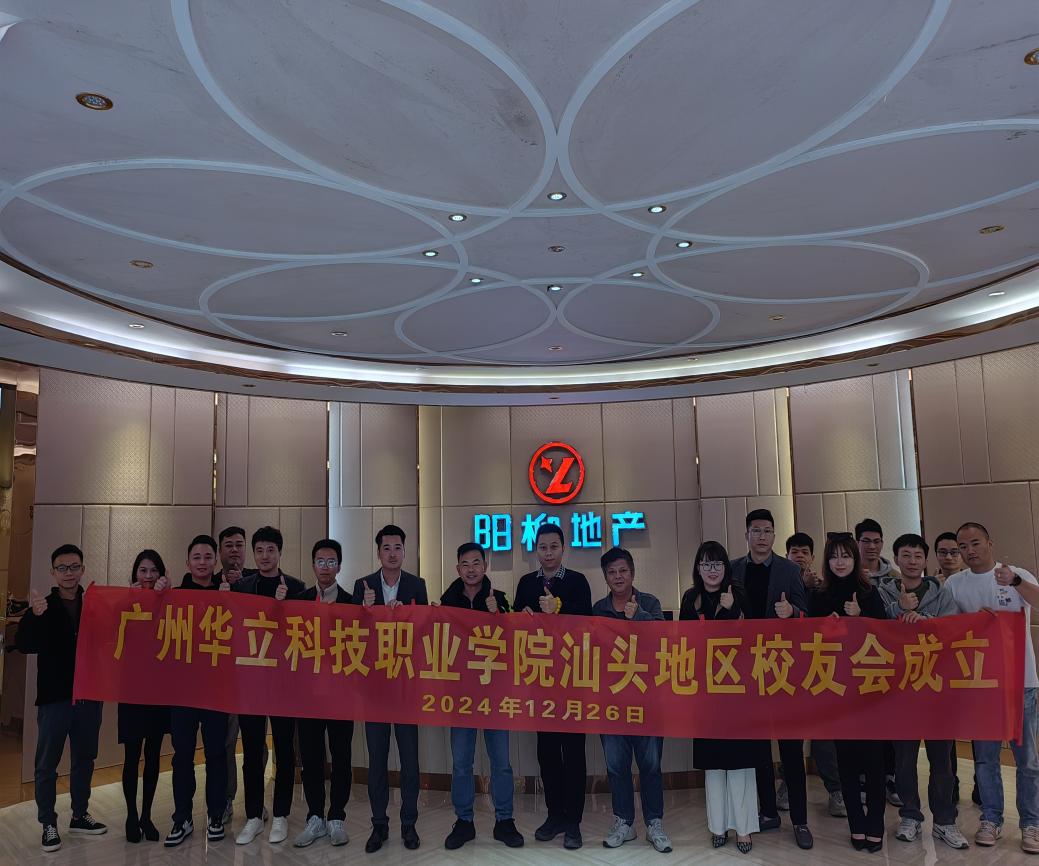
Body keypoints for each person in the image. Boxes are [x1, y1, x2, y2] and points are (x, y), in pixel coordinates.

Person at [947, 522, 1039, 854]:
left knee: (1027, 760)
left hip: (1021, 681)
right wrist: (974, 623)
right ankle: (991, 818)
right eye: (963, 546)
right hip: (981, 683)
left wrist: (1014, 582)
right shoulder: (955, 584)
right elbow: (949, 630)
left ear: (990, 543)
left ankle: (1032, 823)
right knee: (985, 759)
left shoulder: (1016, 574)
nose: (969, 551)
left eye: (975, 543)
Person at [879, 534, 969, 849]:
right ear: (896, 559)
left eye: (918, 556)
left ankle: (944, 821)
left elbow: (953, 630)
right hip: (900, 690)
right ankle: (910, 816)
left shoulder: (941, 593)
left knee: (941, 760)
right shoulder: (883, 592)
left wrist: (924, 620)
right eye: (906, 555)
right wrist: (898, 609)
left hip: (936, 688)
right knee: (904, 759)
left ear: (925, 560)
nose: (912, 561)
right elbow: (873, 630)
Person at [730, 508, 813, 850]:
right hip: (746, 671)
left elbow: (807, 616)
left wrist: (792, 612)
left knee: (791, 748)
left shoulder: (789, 570)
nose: (761, 536)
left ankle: (801, 820)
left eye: (767, 531)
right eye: (756, 530)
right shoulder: (733, 569)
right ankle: (767, 812)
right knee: (758, 747)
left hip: (782, 670)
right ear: (747, 535)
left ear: (774, 536)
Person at [17, 543, 106, 853]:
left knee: (85, 759)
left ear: (83, 569)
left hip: (89, 696)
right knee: (46, 765)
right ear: (53, 572)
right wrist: (33, 616)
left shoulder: (94, 604)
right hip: (55, 699)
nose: (69, 573)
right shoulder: (44, 606)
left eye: (74, 567)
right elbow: (25, 644)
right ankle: (48, 822)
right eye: (62, 568)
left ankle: (80, 815)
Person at [514, 522, 593, 850]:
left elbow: (587, 623)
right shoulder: (526, 583)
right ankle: (554, 814)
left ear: (563, 548)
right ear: (536, 550)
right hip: (540, 680)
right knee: (546, 751)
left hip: (572, 680)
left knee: (573, 752)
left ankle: (573, 821)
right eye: (542, 547)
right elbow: (515, 626)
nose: (548, 553)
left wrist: (557, 609)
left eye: (553, 547)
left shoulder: (577, 581)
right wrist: (522, 615)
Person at [440, 542, 524, 850]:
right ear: (458, 569)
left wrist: (498, 615)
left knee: (501, 761)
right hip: (461, 695)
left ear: (485, 566)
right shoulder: (447, 601)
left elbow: (516, 641)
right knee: (462, 763)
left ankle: (505, 821)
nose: (471, 569)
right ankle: (464, 821)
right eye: (465, 564)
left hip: (495, 693)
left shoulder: (500, 599)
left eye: (477, 563)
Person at [808, 532, 887, 852]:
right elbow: (808, 642)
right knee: (847, 761)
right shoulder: (819, 596)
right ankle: (857, 823)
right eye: (834, 556)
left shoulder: (869, 593)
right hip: (836, 689)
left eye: (845, 556)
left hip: (869, 689)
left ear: (855, 558)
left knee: (875, 761)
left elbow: (887, 637)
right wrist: (824, 629)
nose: (839, 562)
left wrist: (859, 619)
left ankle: (875, 823)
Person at [353, 524, 428, 853]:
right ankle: (379, 825)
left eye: (398, 547)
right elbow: (351, 633)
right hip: (375, 689)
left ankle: (409, 824)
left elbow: (425, 631)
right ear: (378, 552)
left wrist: (408, 618)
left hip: (406, 686)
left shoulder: (417, 585)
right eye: (387, 548)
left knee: (410, 760)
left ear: (404, 551)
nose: (393, 553)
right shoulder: (363, 586)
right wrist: (365, 611)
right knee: (377, 760)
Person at [592, 547, 672, 853]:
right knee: (616, 766)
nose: (618, 577)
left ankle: (654, 823)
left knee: (650, 765)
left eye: (622, 571)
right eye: (611, 572)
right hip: (611, 702)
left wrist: (636, 616)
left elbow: (663, 639)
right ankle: (624, 822)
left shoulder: (649, 603)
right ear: (605, 577)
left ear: (633, 573)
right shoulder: (598, 609)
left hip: (647, 701)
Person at [682, 541, 758, 854]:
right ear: (698, 569)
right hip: (706, 694)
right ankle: (718, 827)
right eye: (706, 564)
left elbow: (755, 638)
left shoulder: (739, 594)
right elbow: (684, 643)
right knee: (714, 765)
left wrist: (733, 610)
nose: (712, 570)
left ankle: (744, 829)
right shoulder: (691, 598)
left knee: (740, 763)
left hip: (738, 693)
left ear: (726, 568)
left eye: (717, 564)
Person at [233, 526, 306, 845]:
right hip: (250, 683)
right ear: (254, 553)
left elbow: (302, 633)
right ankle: (253, 815)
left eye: (270, 550)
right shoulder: (242, 587)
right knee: (251, 750)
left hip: (283, 684)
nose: (264, 556)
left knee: (285, 751)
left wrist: (283, 606)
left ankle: (280, 815)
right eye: (259, 550)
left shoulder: (296, 587)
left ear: (280, 553)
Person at [163, 534, 228, 847]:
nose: (202, 562)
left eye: (207, 557)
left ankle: (216, 815)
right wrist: (155, 596)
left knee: (216, 754)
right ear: (188, 562)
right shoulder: (174, 595)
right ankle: (182, 818)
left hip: (217, 691)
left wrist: (231, 602)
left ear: (215, 561)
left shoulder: (227, 594)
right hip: (183, 692)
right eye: (197, 557)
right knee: (183, 757)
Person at [293, 539, 355, 849]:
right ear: (313, 565)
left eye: (331, 561)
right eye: (321, 561)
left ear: (339, 566)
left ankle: (337, 817)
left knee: (341, 756)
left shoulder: (352, 603)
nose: (326, 567)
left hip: (341, 695)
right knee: (312, 757)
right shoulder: (298, 601)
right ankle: (315, 816)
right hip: (308, 695)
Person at [783, 532, 845, 818]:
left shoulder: (824, 588)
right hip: (789, 671)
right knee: (791, 735)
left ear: (812, 557)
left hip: (820, 670)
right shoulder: (782, 585)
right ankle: (788, 786)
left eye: (804, 552)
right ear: (787, 556)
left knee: (824, 736)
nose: (799, 556)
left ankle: (835, 790)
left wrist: (811, 589)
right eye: (794, 551)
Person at [119, 550, 170, 843]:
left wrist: (167, 595)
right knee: (131, 757)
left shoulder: (169, 601)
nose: (148, 576)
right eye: (143, 570)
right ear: (135, 574)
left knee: (153, 756)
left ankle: (146, 815)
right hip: (131, 691)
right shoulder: (126, 601)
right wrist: (129, 599)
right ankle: (130, 815)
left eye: (154, 571)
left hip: (159, 691)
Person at [214, 525, 258, 829]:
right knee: (227, 744)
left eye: (239, 544)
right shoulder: (209, 583)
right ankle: (227, 799)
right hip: (225, 681)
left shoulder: (259, 581)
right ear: (220, 551)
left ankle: (255, 802)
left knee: (256, 746)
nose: (234, 550)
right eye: (228, 545)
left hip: (254, 678)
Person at [855, 518, 901, 583]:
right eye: (866, 541)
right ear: (857, 543)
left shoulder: (895, 577)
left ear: (882, 544)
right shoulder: (849, 574)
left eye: (876, 541)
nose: (872, 546)